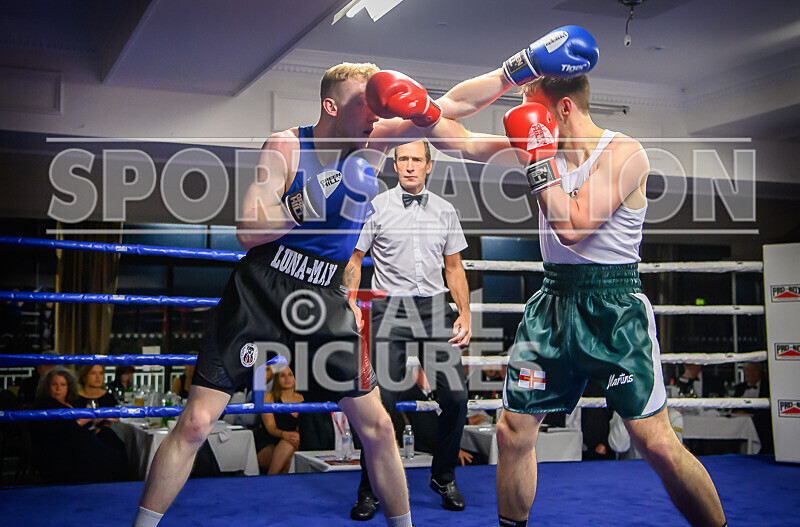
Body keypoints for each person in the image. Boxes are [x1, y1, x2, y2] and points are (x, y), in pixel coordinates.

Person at [132, 24, 600, 526]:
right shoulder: (286, 146)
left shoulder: (380, 138)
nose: (379, 110)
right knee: (197, 421)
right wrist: (310, 198)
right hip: (263, 285)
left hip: (325, 294)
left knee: (377, 427)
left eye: (382, 101)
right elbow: (248, 229)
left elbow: (452, 111)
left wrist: (523, 65)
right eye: (367, 101)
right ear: (332, 106)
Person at [425, 74, 727, 525]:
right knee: (511, 432)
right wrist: (419, 110)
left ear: (564, 107)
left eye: (533, 106)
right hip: (552, 304)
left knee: (657, 444)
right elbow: (462, 141)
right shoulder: (541, 147)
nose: (526, 118)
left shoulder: (624, 154)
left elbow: (573, 227)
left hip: (613, 306)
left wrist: (538, 160)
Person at [345, 138, 471, 518]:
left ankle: (443, 474)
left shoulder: (446, 210)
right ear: (394, 165)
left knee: (456, 398)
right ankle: (370, 489)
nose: (410, 166)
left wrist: (464, 312)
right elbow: (354, 258)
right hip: (390, 308)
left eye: (417, 159)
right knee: (381, 405)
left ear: (429, 165)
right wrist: (351, 299)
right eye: (403, 159)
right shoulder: (376, 207)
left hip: (434, 309)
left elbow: (454, 268)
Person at [31, 367, 127, 483]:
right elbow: (64, 431)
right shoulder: (47, 405)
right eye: (54, 385)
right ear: (47, 387)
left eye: (63, 385)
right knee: (114, 457)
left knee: (110, 437)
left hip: (81, 440)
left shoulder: (70, 402)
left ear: (68, 387)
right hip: (67, 450)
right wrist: (89, 416)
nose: (58, 389)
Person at [254, 366, 303, 474]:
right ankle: (270, 480)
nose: (287, 378)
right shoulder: (268, 398)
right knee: (287, 446)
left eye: (290, 375)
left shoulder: (303, 399)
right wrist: (284, 434)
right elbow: (270, 427)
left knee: (290, 455)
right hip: (269, 442)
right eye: (282, 375)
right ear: (277, 379)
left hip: (296, 443)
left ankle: (271, 483)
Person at [733, 362, 772, 453]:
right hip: (744, 425)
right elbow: (734, 409)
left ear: (760, 372)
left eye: (754, 370)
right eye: (748, 370)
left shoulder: (768, 387)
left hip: (764, 424)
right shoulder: (740, 388)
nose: (750, 373)